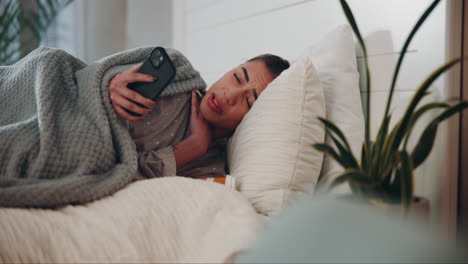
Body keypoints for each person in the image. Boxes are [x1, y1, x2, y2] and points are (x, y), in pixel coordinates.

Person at [108, 54, 290, 180]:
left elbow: (118, 179)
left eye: (248, 101)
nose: (230, 94)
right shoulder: (177, 76)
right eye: (236, 77)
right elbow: (94, 74)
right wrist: (111, 83)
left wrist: (192, 147)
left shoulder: (210, 170)